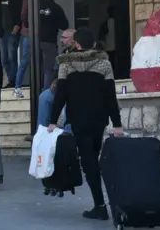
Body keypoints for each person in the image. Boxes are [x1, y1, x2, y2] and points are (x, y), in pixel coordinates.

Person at [48, 27, 123, 221]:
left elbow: (60, 96)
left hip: (79, 121)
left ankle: (100, 205)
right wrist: (117, 124)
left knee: (89, 162)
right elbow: (110, 97)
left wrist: (52, 121)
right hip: (99, 120)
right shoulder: (104, 64)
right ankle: (102, 202)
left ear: (77, 44)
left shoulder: (66, 64)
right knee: (93, 159)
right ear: (93, 44)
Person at [39, 0, 69, 89]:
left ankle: (37, 91)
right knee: (49, 70)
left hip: (35, 42)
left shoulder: (36, 7)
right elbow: (65, 25)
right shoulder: (56, 8)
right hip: (49, 42)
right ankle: (45, 92)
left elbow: (26, 22)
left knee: (37, 69)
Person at [0, 0, 24, 89]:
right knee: (4, 59)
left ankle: (14, 79)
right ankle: (11, 78)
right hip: (2, 32)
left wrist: (18, 24)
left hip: (12, 30)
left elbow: (22, 11)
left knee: (12, 55)